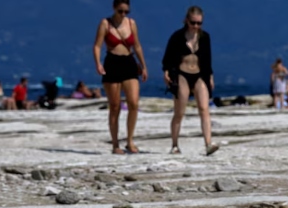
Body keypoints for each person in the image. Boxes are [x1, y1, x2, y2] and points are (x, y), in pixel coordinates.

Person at [162, 5, 219, 156]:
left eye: (199, 23)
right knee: (179, 112)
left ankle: (208, 143)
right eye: (193, 23)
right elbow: (168, 57)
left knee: (204, 109)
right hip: (182, 74)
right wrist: (166, 72)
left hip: (200, 75)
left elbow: (207, 59)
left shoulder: (204, 37)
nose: (196, 26)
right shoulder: (177, 37)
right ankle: (175, 145)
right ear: (187, 21)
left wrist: (210, 76)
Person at [93, 0, 149, 154]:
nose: (123, 14)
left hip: (129, 63)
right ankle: (115, 144)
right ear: (114, 8)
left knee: (133, 103)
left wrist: (143, 66)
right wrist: (98, 63)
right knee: (115, 106)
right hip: (112, 63)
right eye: (120, 11)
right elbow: (97, 45)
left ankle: (130, 141)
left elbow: (137, 45)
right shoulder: (105, 24)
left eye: (126, 11)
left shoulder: (131, 23)